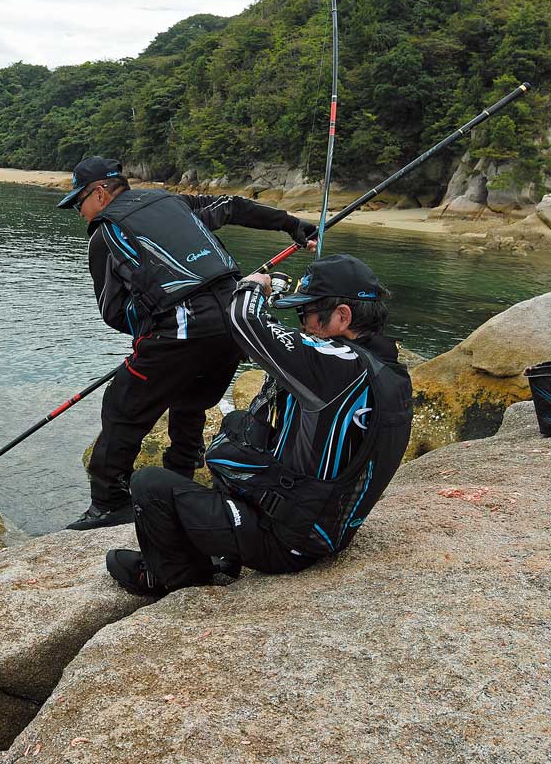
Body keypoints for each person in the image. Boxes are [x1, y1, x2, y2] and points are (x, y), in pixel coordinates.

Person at [105, 253, 413, 595]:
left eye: (306, 313)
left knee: (149, 485)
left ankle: (175, 579)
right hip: (324, 525)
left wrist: (254, 285)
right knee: (240, 427)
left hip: (287, 539)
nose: (302, 325)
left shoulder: (337, 365)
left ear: (343, 316)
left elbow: (241, 318)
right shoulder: (387, 371)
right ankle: (226, 553)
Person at [57, 157, 318, 530]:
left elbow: (113, 311)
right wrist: (292, 225)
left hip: (180, 333)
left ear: (99, 193)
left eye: (78, 202)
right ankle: (179, 477)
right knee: (191, 398)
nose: (79, 212)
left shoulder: (106, 233)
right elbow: (233, 206)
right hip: (235, 326)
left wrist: (152, 333)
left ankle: (109, 504)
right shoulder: (171, 201)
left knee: (122, 408)